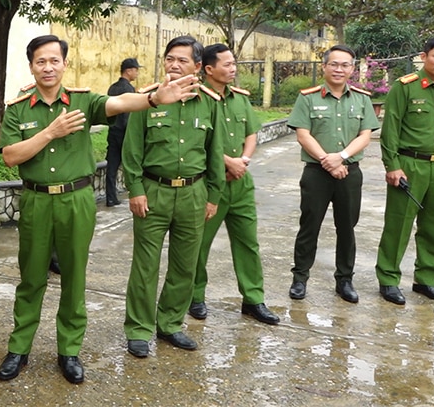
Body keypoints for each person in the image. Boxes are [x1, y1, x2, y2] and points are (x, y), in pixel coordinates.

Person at [0, 34, 200, 383]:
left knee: (75, 277)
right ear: (31, 65)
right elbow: (11, 156)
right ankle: (19, 348)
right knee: (31, 278)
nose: (48, 67)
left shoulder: (82, 100)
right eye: (40, 61)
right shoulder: (17, 109)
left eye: (54, 60)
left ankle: (69, 351)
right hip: (36, 200)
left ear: (64, 64)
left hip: (76, 201)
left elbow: (119, 105)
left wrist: (153, 99)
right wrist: (50, 132)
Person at [122, 35, 225, 359]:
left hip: (194, 194)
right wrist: (135, 190)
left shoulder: (209, 102)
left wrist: (213, 195)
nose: (174, 64)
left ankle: (170, 324)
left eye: (182, 60)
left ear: (197, 66)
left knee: (185, 265)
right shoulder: (147, 100)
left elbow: (215, 151)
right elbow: (132, 150)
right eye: (170, 59)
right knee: (145, 265)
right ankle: (138, 329)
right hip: (154, 193)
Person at [188, 43, 279, 326]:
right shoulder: (195, 99)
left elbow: (252, 133)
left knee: (248, 243)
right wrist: (228, 162)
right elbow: (196, 142)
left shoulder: (240, 99)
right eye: (227, 64)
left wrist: (244, 160)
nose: (233, 68)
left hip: (240, 184)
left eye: (233, 63)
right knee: (198, 245)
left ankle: (253, 300)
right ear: (208, 69)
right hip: (208, 185)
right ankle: (195, 296)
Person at [375, 35, 434, 305]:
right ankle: (388, 279)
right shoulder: (405, 87)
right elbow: (390, 131)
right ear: (424, 57)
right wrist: (393, 166)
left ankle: (426, 280)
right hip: (410, 165)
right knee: (398, 225)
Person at [286, 45, 379, 303]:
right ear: (324, 66)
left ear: (352, 68)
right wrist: (328, 160)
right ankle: (300, 278)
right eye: (334, 64)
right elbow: (303, 134)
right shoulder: (308, 98)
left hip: (349, 173)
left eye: (345, 65)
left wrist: (342, 157)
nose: (339, 69)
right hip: (316, 173)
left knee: (347, 227)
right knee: (309, 226)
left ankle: (345, 280)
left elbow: (366, 135)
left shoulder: (362, 98)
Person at [105, 57, 141, 206]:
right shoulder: (129, 90)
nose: (137, 74)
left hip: (113, 132)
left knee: (111, 167)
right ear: (129, 71)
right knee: (131, 165)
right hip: (124, 134)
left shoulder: (112, 88)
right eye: (136, 70)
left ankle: (111, 198)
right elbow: (129, 115)